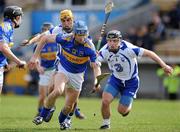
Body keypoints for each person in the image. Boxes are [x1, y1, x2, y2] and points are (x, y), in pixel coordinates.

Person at [28, 20, 100, 130]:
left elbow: (95, 67)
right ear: (74, 34)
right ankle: (41, 115)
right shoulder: (65, 38)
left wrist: (97, 80)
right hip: (63, 69)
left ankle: (62, 121)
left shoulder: (89, 47)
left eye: (84, 34)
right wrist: (34, 57)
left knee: (69, 107)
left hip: (77, 75)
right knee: (58, 90)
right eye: (79, 35)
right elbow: (44, 39)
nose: (82, 38)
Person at [94, 30, 173, 129]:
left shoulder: (129, 49)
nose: (112, 43)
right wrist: (97, 80)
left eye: (115, 41)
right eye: (109, 41)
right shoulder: (104, 51)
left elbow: (150, 53)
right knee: (105, 101)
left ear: (120, 41)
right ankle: (106, 123)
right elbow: (96, 66)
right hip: (116, 79)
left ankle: (128, 104)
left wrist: (164, 66)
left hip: (131, 82)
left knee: (122, 111)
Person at [22, 9, 86, 120]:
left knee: (72, 98)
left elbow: (87, 40)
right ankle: (50, 108)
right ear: (60, 21)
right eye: (63, 20)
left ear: (73, 19)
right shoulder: (57, 29)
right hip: (61, 64)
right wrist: (30, 41)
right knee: (52, 88)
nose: (66, 23)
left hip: (76, 66)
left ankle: (71, 115)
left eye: (68, 20)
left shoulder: (79, 28)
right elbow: (43, 36)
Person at [32, 22, 57, 120]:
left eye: (47, 30)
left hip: (55, 71)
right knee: (42, 96)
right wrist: (38, 67)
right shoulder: (38, 44)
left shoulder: (57, 42)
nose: (45, 32)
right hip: (44, 71)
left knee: (52, 93)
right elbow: (36, 58)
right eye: (44, 30)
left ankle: (50, 111)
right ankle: (39, 111)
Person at [0, 6, 26, 94]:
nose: (21, 20)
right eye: (21, 17)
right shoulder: (7, 27)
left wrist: (5, 62)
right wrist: (18, 61)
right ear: (17, 18)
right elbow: (3, 48)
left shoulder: (6, 26)